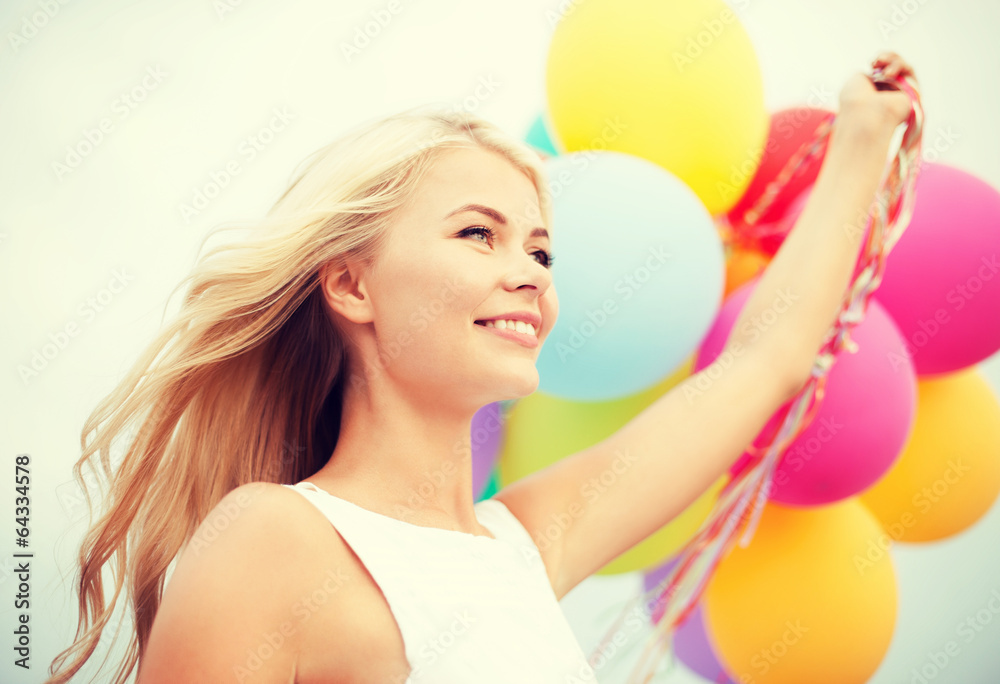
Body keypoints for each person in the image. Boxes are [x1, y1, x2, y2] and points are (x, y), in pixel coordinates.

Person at [46, 52, 916, 684]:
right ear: (352, 285)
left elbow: (761, 364)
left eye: (542, 251)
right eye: (478, 234)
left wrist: (862, 143)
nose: (531, 274)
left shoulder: (526, 547)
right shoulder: (270, 538)